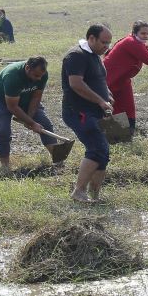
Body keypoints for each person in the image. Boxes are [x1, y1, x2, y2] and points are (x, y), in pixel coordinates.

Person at [62, 24, 114, 204]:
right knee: (97, 148)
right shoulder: (76, 56)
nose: (106, 46)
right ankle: (79, 191)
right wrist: (100, 100)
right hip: (79, 112)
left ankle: (95, 195)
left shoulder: (95, 55)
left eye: (109, 43)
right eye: (103, 42)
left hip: (95, 111)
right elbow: (76, 84)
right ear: (91, 38)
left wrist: (107, 95)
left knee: (103, 153)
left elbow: (98, 79)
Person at [0, 57, 63, 170]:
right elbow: (12, 106)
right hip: (0, 99)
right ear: (27, 68)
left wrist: (30, 119)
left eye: (41, 76)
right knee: (2, 131)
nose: (39, 79)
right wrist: (31, 123)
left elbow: (36, 98)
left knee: (44, 123)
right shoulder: (12, 75)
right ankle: (5, 167)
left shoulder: (42, 74)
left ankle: (58, 160)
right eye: (36, 76)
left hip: (24, 97)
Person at [103, 21, 148, 134]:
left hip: (123, 80)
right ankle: (110, 134)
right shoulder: (131, 42)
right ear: (134, 33)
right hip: (109, 79)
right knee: (108, 107)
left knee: (128, 107)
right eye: (143, 33)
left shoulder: (140, 43)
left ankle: (126, 133)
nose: (146, 36)